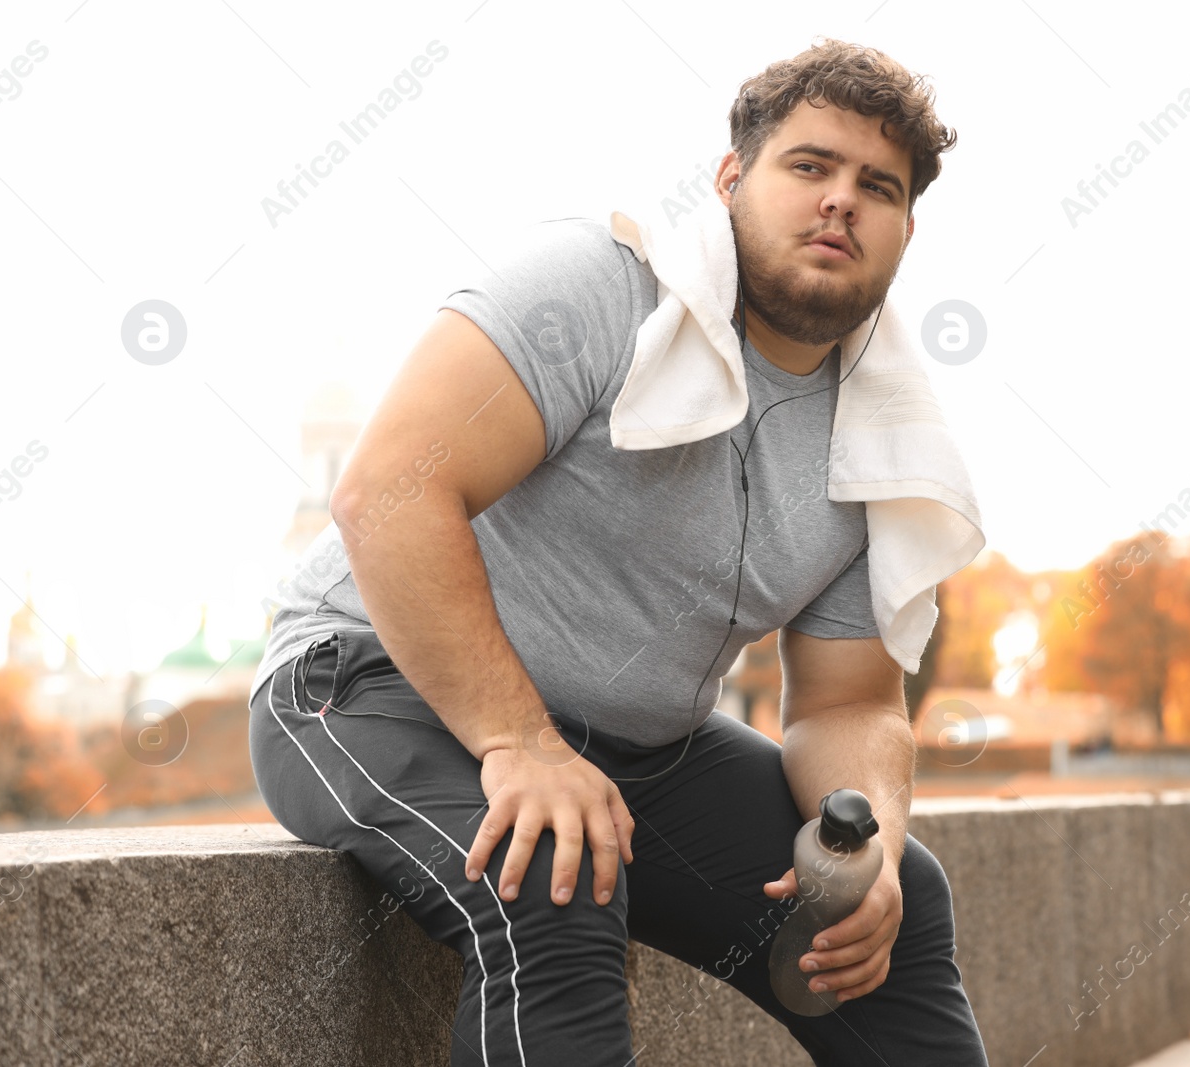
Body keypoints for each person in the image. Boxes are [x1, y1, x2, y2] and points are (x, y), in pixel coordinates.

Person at [248, 36, 989, 1066]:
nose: (840, 202)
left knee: (894, 904)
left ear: (906, 228)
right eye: (809, 166)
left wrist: (863, 843)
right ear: (733, 180)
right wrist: (520, 742)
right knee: (552, 875)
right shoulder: (598, 288)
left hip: (637, 748)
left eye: (878, 186)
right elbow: (386, 498)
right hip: (369, 683)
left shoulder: (887, 440)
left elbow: (847, 706)